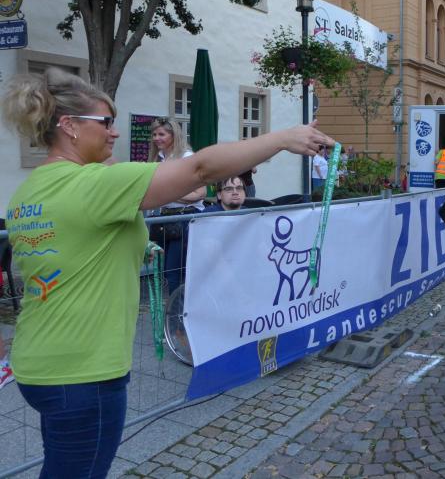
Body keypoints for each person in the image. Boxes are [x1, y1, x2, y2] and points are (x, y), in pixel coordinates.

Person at [2, 68, 333, 478]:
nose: (114, 132)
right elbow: (200, 170)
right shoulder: (95, 185)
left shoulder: (30, 190)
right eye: (105, 122)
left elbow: (72, 248)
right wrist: (281, 139)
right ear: (69, 125)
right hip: (83, 370)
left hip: (37, 360)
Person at [147, 118, 207, 294]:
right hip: (165, 218)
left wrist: (167, 193)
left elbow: (200, 193)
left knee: (174, 270)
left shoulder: (186, 158)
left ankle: (177, 308)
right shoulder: (158, 159)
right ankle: (173, 304)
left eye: (161, 134)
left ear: (174, 136)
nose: (156, 138)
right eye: (154, 134)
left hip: (185, 218)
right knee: (164, 270)